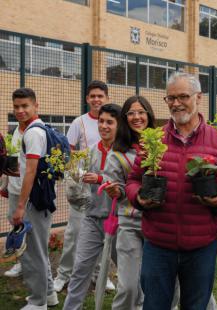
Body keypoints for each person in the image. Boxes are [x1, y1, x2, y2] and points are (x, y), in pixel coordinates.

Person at [126, 72, 217, 309]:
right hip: (158, 244)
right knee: (154, 304)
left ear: (198, 97)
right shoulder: (153, 140)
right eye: (170, 98)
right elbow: (133, 180)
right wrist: (138, 197)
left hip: (201, 245)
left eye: (183, 96)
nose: (176, 103)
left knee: (195, 305)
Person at [54, 80, 115, 292]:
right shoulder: (78, 122)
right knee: (74, 232)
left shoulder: (114, 121)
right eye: (92, 96)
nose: (96, 99)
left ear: (107, 97)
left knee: (103, 233)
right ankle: (64, 274)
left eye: (100, 96)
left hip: (106, 185)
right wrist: (75, 178)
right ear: (87, 99)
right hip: (82, 187)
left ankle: (101, 276)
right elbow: (69, 151)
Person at [63, 103, 121, 310]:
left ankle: (138, 304)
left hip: (119, 222)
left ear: (119, 125)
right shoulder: (87, 154)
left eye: (110, 122)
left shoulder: (125, 152)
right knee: (80, 270)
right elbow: (75, 178)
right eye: (101, 121)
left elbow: (127, 184)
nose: (104, 126)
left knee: (128, 273)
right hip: (92, 219)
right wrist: (72, 181)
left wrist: (99, 178)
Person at [104, 96, 155, 310]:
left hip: (159, 224)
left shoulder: (161, 146)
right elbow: (113, 186)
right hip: (130, 223)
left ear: (149, 115)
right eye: (131, 113)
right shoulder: (117, 153)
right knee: (128, 287)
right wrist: (114, 189)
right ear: (125, 118)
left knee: (157, 286)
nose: (137, 117)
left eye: (141, 112)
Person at [11, 88, 59, 310]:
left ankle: (38, 303)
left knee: (32, 253)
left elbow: (30, 172)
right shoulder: (31, 130)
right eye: (16, 106)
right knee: (38, 249)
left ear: (36, 105)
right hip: (38, 198)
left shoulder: (33, 133)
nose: (20, 110)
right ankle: (49, 295)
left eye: (25, 106)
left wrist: (20, 207)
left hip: (33, 201)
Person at [3, 124, 24, 278]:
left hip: (29, 191)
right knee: (15, 223)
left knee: (31, 230)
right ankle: (21, 262)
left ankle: (35, 266)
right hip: (13, 188)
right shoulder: (14, 131)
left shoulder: (38, 131)